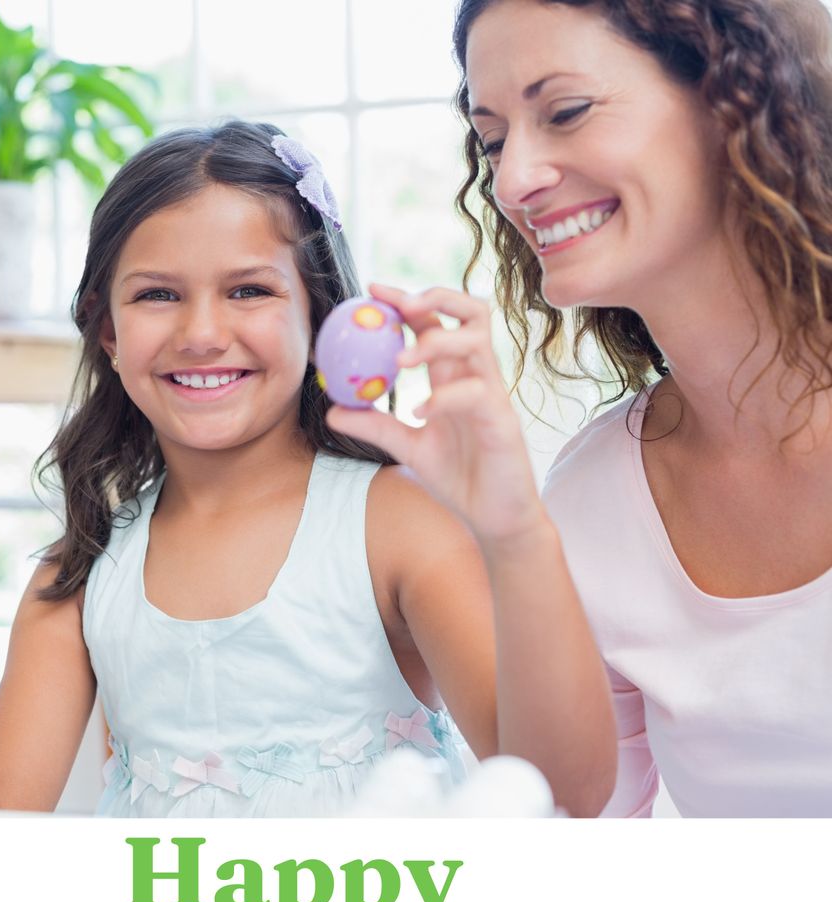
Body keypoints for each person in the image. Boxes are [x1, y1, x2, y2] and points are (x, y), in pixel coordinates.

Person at [0, 120, 614, 817]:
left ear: (323, 313)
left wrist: (514, 533)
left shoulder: (393, 524)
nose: (202, 331)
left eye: (249, 291)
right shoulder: (83, 571)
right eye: (158, 294)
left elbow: (559, 793)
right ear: (107, 331)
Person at [337, 0, 832, 816]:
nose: (513, 179)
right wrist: (512, 533)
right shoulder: (598, 496)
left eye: (565, 112)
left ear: (736, 98)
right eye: (492, 140)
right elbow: (572, 830)